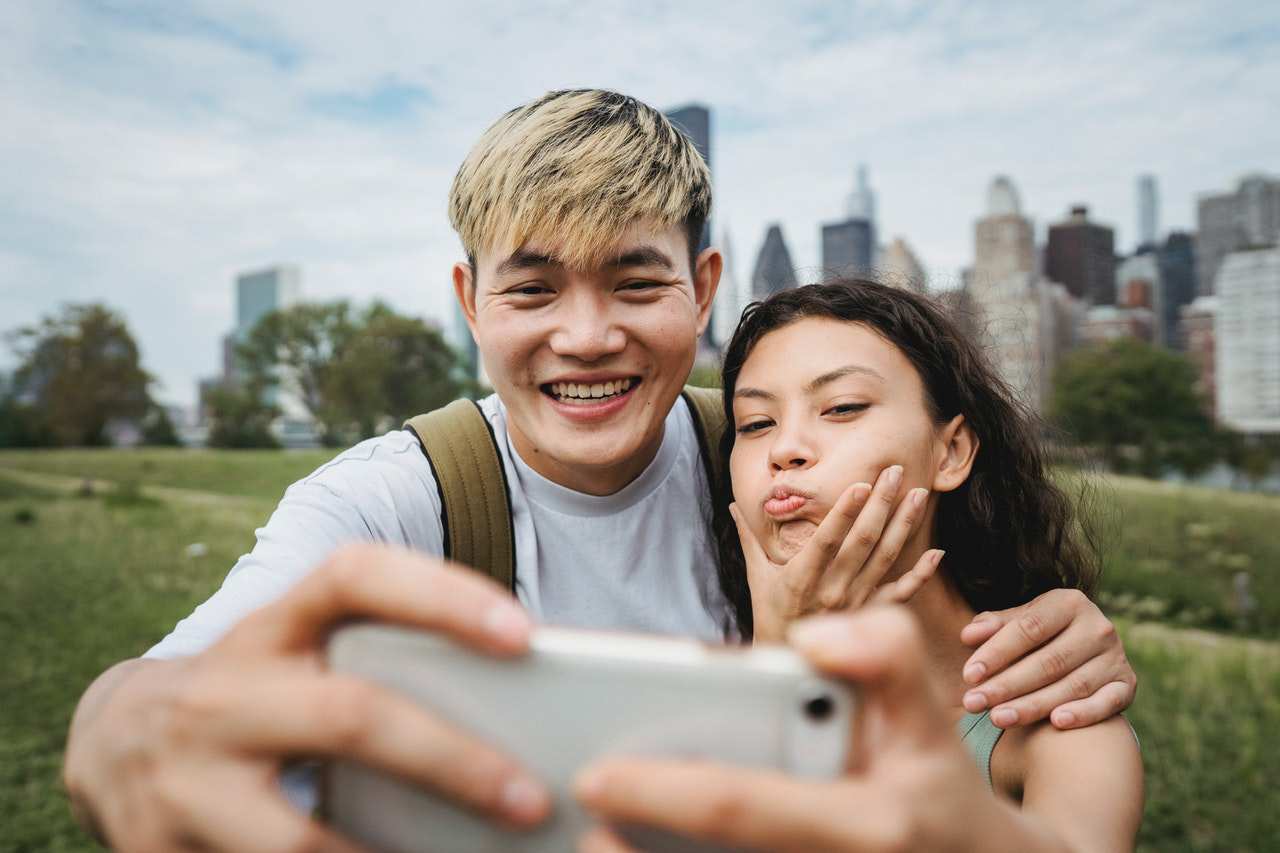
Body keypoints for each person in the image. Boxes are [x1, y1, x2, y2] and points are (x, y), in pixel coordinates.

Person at [62, 91, 1137, 851]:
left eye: (633, 281)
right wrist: (124, 730)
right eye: (531, 291)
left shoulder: (762, 453)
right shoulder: (388, 498)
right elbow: (165, 686)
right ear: (468, 300)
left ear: (701, 285)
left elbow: (965, 587)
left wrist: (1057, 628)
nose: (586, 337)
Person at [574, 280, 1143, 851]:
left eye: (842, 408)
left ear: (951, 452)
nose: (785, 449)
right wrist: (779, 660)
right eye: (755, 423)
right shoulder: (692, 683)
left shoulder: (1054, 718)